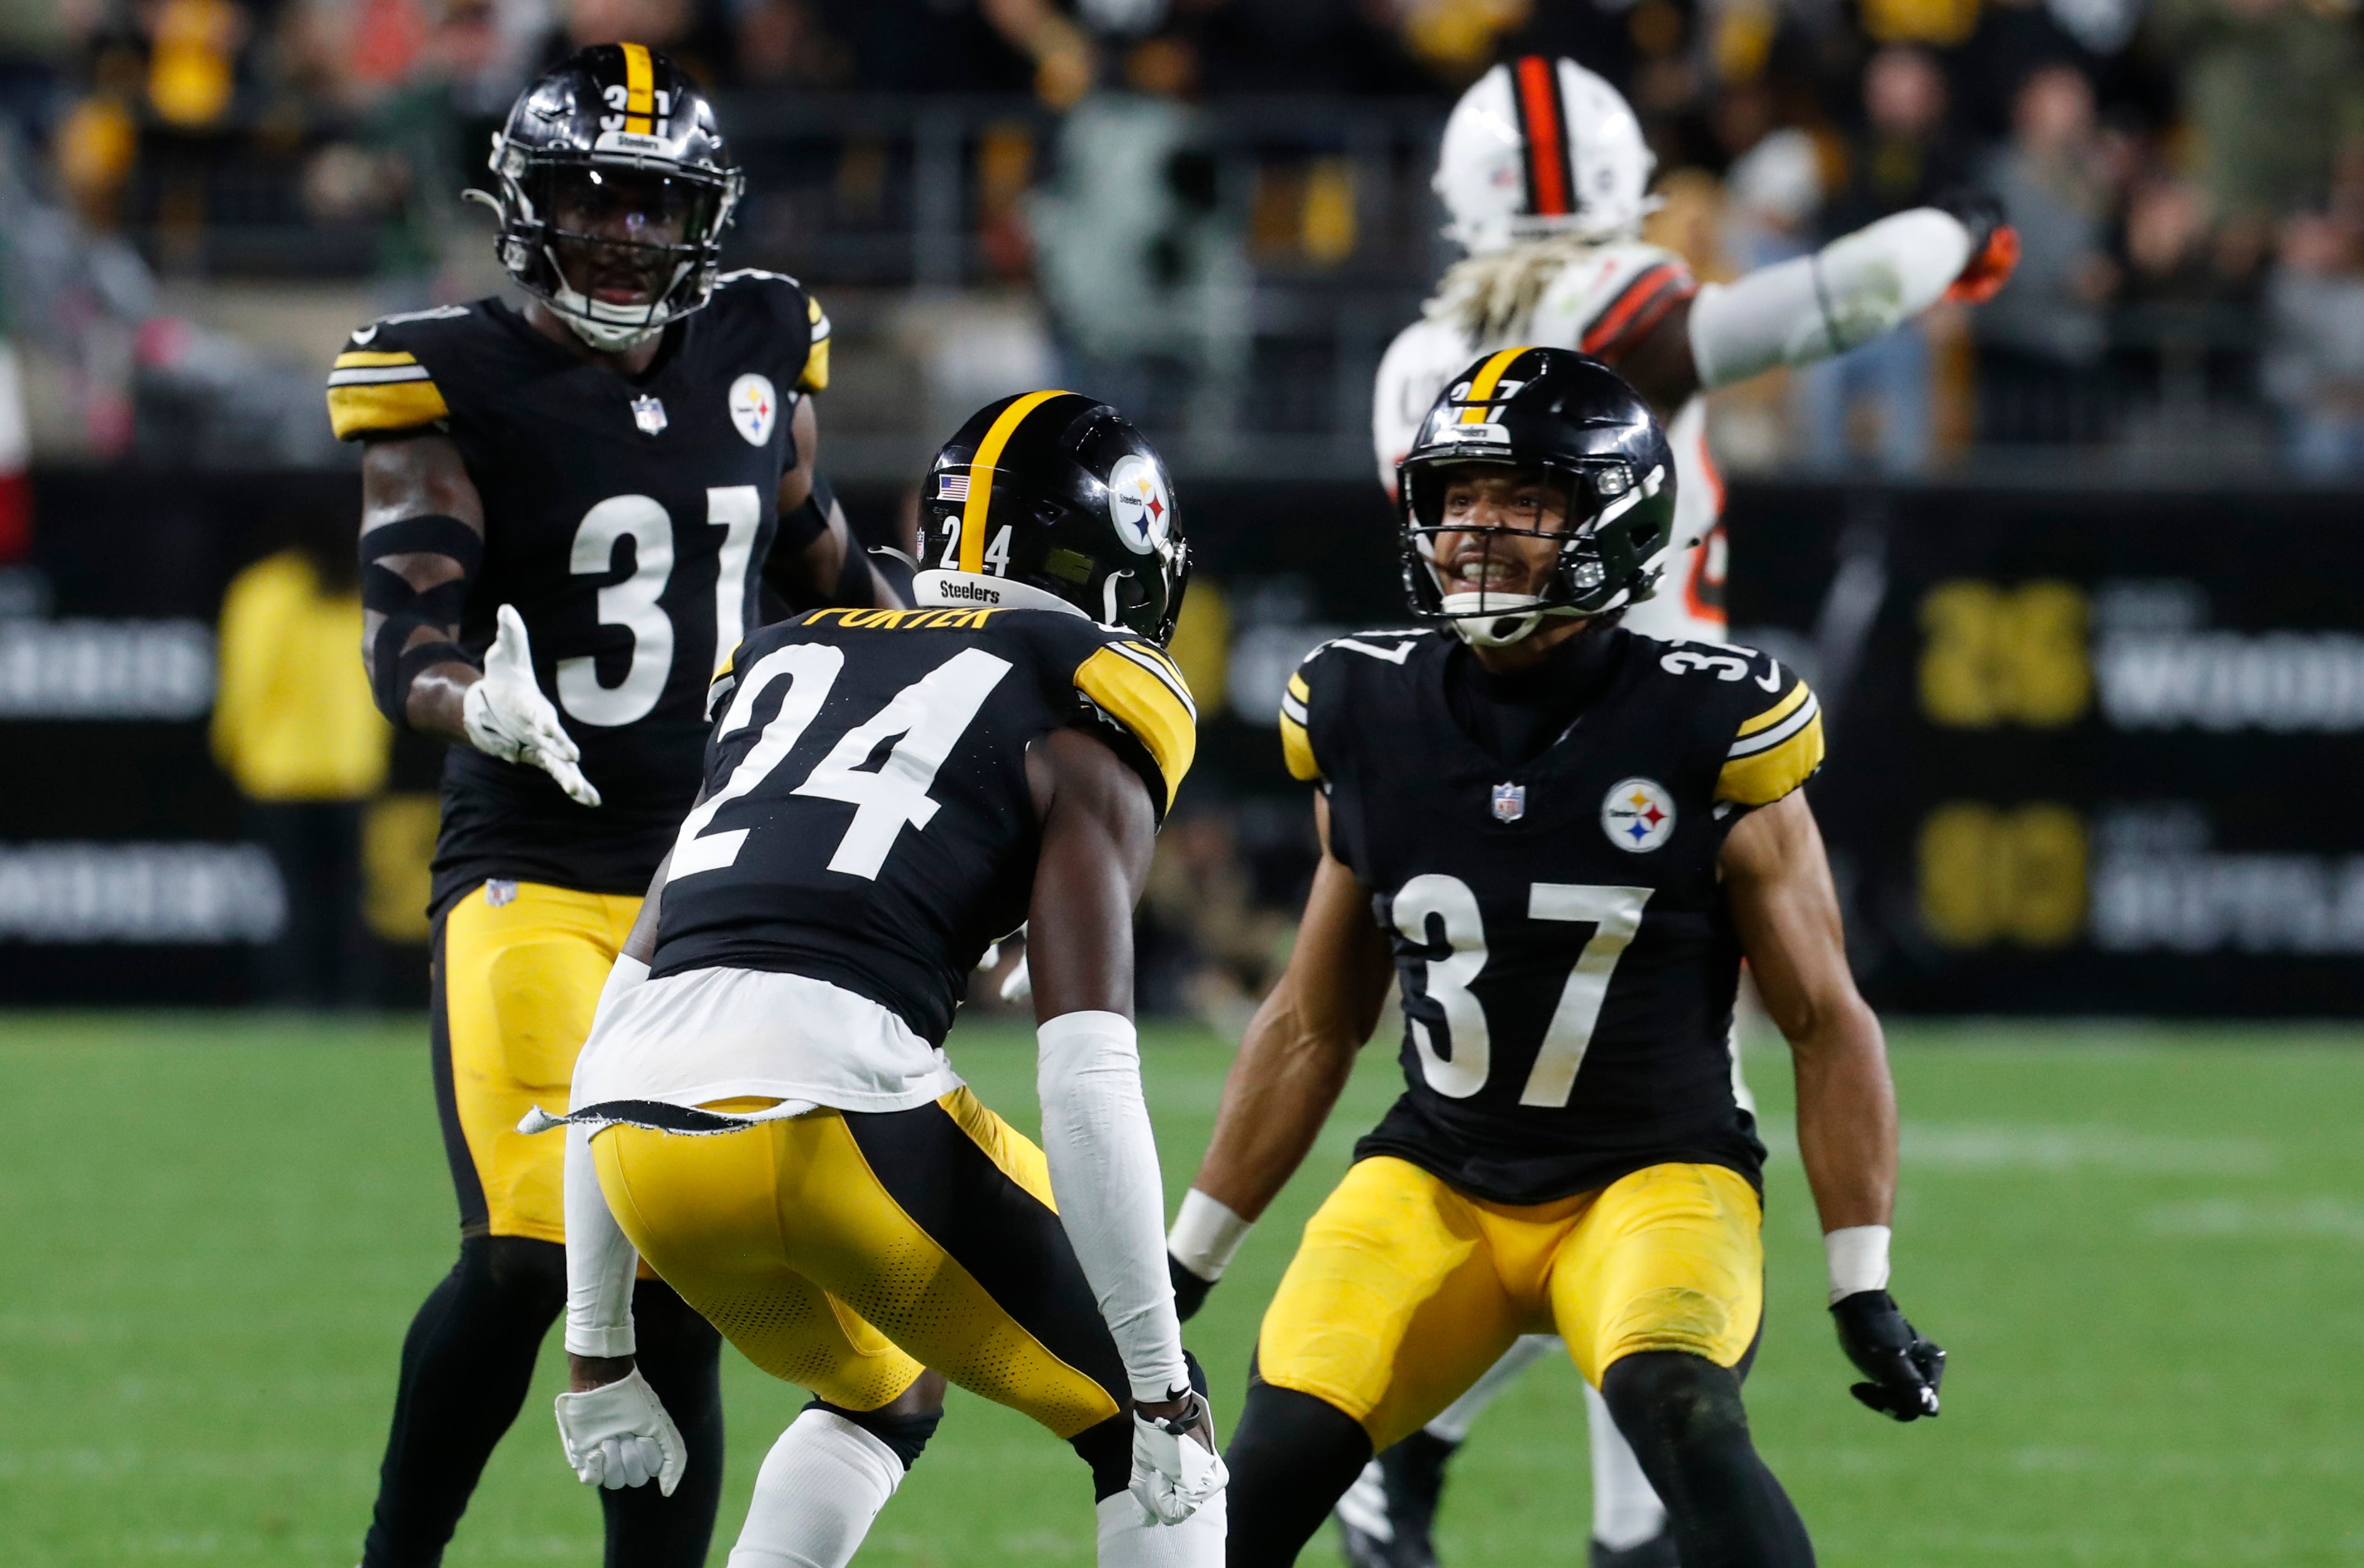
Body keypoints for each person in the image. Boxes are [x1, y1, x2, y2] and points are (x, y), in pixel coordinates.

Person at [1336, 56, 2007, 1566]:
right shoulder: (1613, 317)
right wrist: (1958, 234)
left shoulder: (1416, 356)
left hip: (1474, 763)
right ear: (1623, 184)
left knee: (1566, 1168)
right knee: (1667, 1171)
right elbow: (1816, 308)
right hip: (1633, 760)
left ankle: (1422, 1454)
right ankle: (1616, 1531)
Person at [1172, 350, 1944, 1568]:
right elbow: (1313, 1023)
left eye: (1523, 499)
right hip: (1437, 1178)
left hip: (1652, 1181)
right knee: (1261, 1473)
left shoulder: (1710, 726)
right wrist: (1185, 1264)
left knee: (1684, 1418)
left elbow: (1823, 1021)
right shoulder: (1364, 710)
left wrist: (1862, 1282)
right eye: (1458, 497)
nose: (1477, 529)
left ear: (1615, 519)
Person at [327, 43, 895, 1568]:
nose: (627, 234)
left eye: (655, 204)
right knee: (527, 1249)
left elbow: (826, 568)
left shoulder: (763, 340)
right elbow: (406, 632)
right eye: (592, 196)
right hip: (533, 865)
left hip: (712, 888)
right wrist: (472, 702)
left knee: (675, 1265)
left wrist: (950, 680)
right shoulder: (440, 372)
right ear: (525, 205)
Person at [526, 391, 1226, 1568]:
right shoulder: (1083, 704)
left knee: (885, 1389)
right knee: (1150, 1435)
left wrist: (596, 1347)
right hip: (839, 1120)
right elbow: (1088, 1078)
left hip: (645, 1158)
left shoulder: (791, 661)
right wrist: (1158, 1383)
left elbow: (625, 1016)